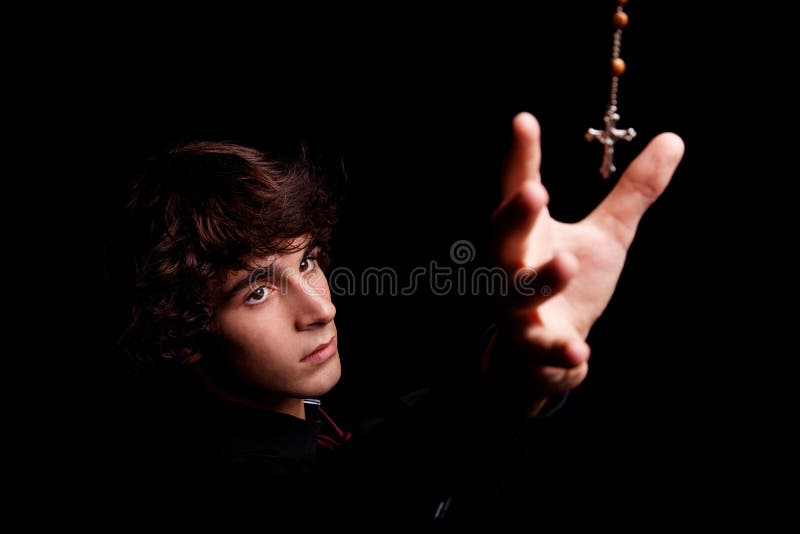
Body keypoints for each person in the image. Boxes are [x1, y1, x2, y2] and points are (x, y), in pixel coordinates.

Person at [107, 112, 683, 525]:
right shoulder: (226, 487)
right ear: (182, 330)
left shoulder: (311, 415)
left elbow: (389, 447)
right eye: (256, 292)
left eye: (306, 261)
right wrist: (502, 384)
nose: (321, 308)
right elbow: (350, 501)